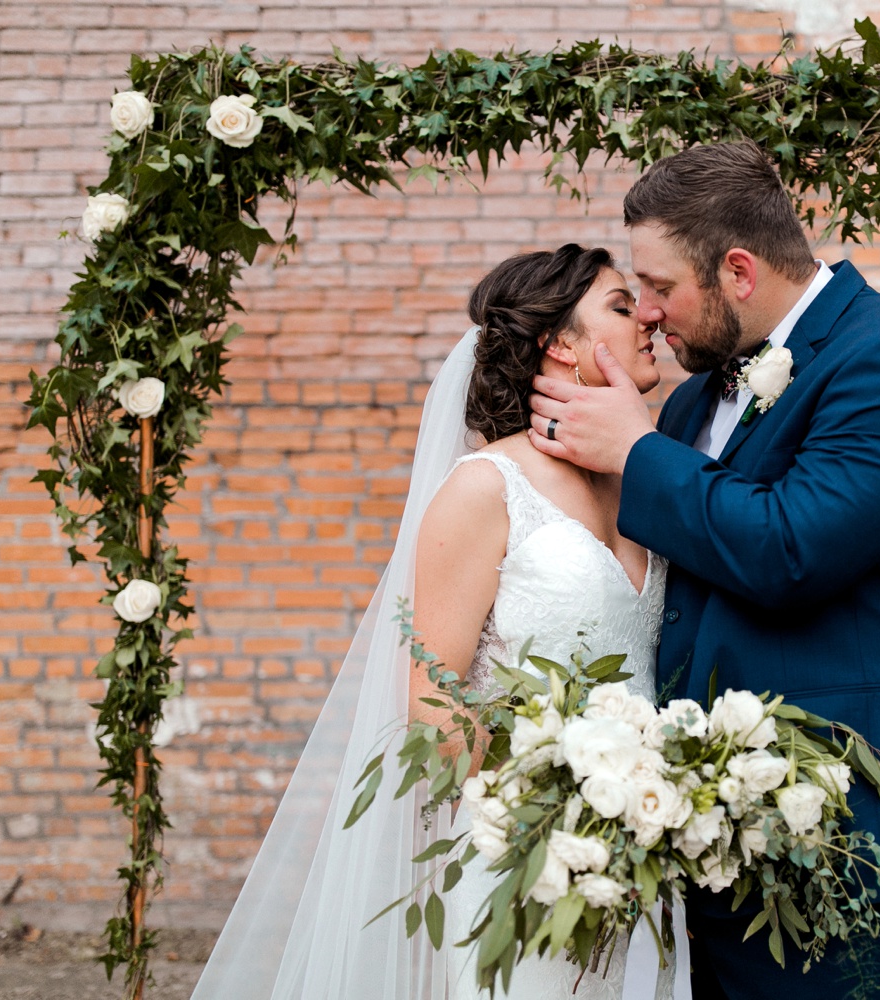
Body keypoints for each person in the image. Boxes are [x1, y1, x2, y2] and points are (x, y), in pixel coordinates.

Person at [527, 142, 880, 1000]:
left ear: (739, 272)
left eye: (661, 287)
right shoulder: (688, 401)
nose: (649, 314)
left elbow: (793, 549)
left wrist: (635, 453)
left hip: (857, 837)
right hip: (705, 846)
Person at [190, 244, 677, 1000]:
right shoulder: (487, 488)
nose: (648, 316)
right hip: (531, 864)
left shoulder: (647, 480)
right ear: (558, 343)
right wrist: (550, 811)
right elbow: (433, 700)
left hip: (649, 853)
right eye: (621, 305)